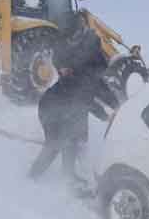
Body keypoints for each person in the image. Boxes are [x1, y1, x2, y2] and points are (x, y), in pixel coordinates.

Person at [28, 16, 119, 187]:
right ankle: (32, 177)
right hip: (50, 108)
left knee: (73, 137)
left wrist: (116, 108)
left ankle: (68, 176)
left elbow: (99, 94)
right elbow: (89, 100)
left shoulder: (89, 75)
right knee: (56, 143)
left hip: (63, 108)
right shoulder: (85, 77)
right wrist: (108, 114)